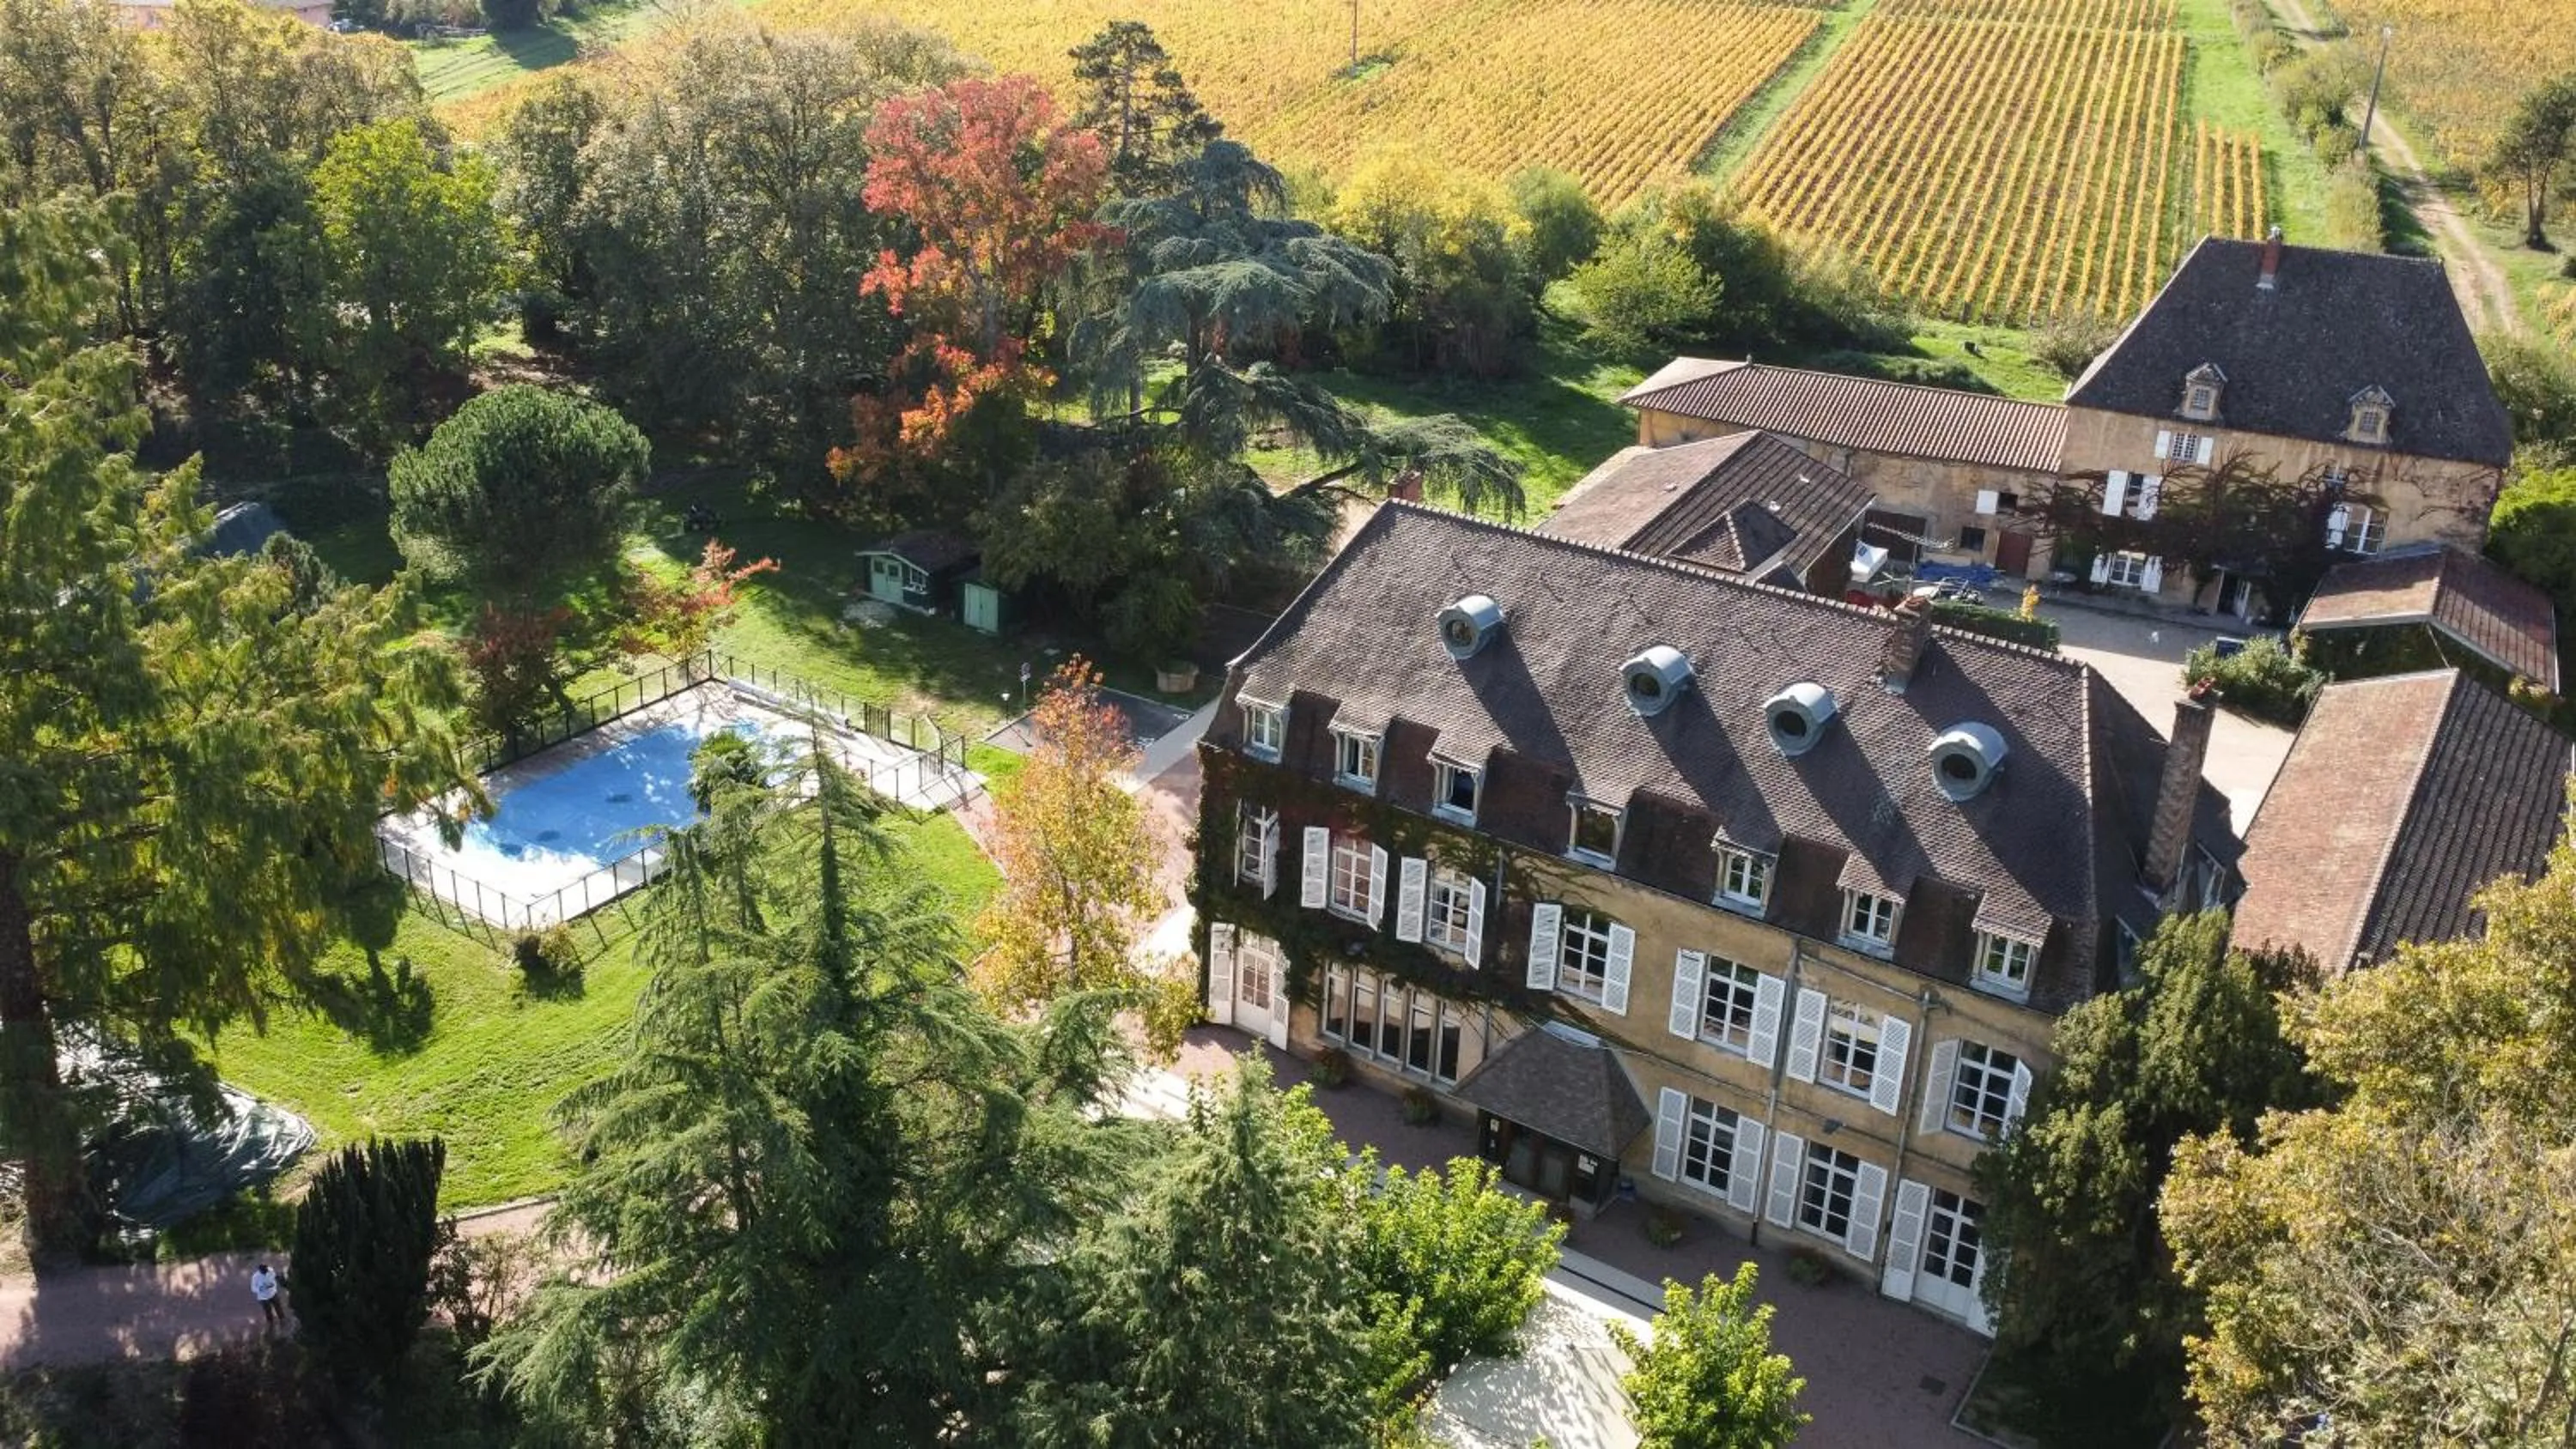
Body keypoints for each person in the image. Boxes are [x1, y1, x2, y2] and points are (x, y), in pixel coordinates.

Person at [251, 1263, 283, 1331]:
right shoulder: (255, 1277)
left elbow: (274, 1277)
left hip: (273, 1293)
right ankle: (271, 1323)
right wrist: (261, 1289)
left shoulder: (270, 1270)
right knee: (268, 1311)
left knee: (278, 1306)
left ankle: (282, 1319)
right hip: (263, 1298)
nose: (266, 1272)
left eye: (266, 1270)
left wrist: (274, 1284)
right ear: (260, 1270)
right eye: (264, 1271)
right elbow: (253, 1288)